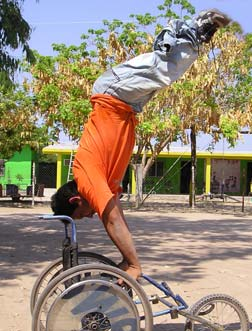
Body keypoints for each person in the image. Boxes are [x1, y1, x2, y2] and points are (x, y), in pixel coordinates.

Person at [51, 9, 231, 280]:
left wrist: (134, 265)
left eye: (81, 214)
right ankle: (182, 35)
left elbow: (109, 219)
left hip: (112, 92)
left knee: (165, 70)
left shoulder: (86, 178)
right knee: (165, 66)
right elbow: (118, 219)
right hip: (125, 102)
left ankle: (198, 26)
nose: (89, 216)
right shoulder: (103, 183)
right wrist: (127, 256)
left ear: (76, 200)